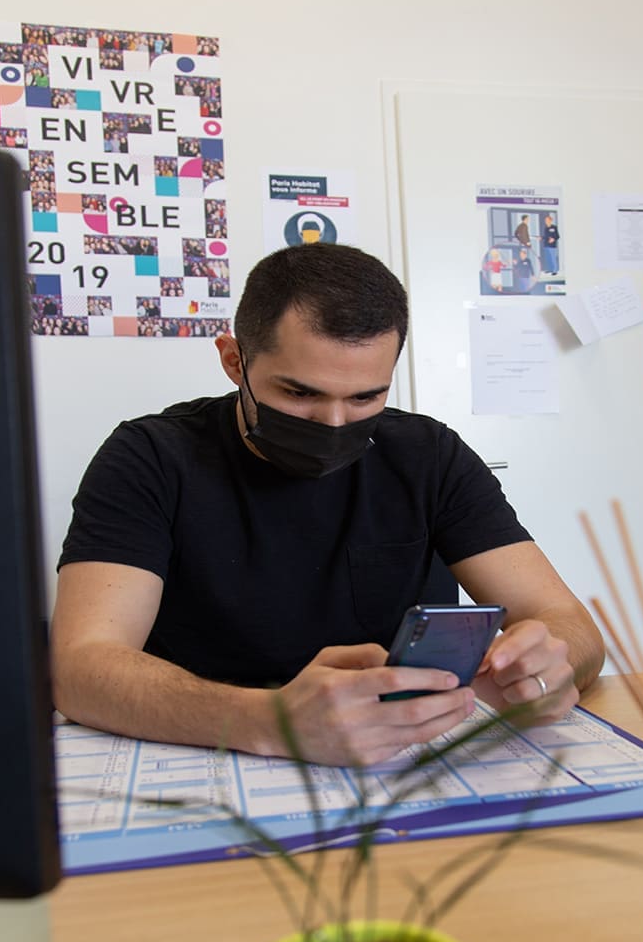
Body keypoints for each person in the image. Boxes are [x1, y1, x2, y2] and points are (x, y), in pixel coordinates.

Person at [50, 244, 604, 767]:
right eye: (300, 393)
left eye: (366, 396)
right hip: (208, 755)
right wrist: (269, 721)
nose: (335, 424)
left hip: (399, 764)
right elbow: (80, 667)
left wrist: (550, 666)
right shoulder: (149, 457)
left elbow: (571, 628)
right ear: (233, 361)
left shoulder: (429, 456)